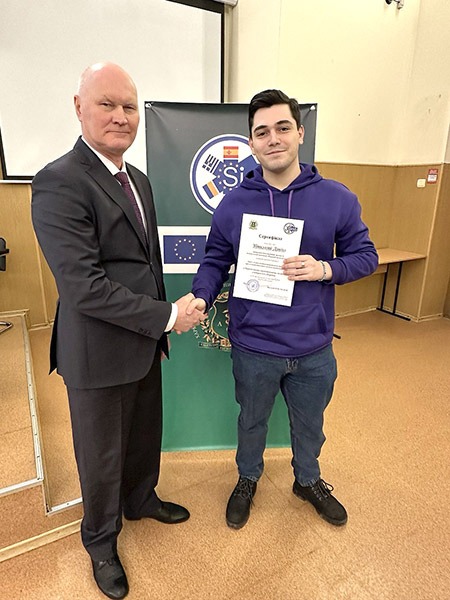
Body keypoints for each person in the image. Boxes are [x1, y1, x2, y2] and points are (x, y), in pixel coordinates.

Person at [32, 62, 205, 600]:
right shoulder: (59, 180)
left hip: (143, 342)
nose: (120, 116)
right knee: (101, 455)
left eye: (129, 106)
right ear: (79, 107)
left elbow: (146, 264)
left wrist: (158, 325)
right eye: (106, 104)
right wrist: (168, 317)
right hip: (97, 350)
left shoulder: (139, 180)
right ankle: (101, 542)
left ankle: (141, 499)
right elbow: (83, 287)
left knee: (144, 434)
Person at [188, 89, 378, 531]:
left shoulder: (336, 198)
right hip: (254, 345)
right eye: (262, 132)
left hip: (313, 346)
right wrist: (201, 295)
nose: (273, 139)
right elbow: (215, 260)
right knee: (252, 421)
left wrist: (325, 268)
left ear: (299, 134)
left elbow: (366, 256)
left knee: (311, 426)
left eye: (282, 128)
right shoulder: (234, 203)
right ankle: (247, 479)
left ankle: (307, 480)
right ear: (251, 143)